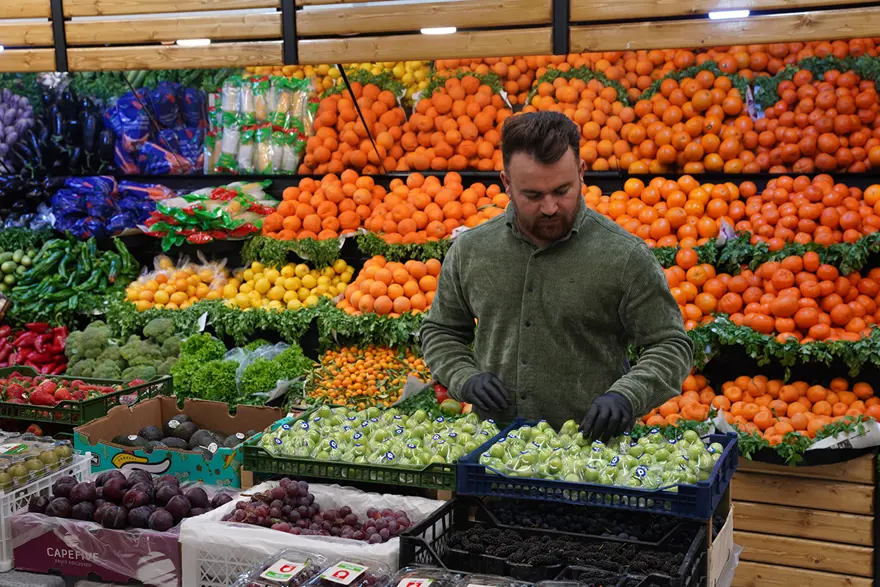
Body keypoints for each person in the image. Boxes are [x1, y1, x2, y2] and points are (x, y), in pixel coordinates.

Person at [419, 111, 693, 441]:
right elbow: (441, 330)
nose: (550, 207)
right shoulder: (471, 250)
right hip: (493, 452)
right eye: (533, 195)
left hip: (590, 457)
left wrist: (628, 394)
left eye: (562, 190)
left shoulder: (624, 256)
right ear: (506, 183)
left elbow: (670, 344)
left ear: (581, 173)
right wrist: (463, 376)